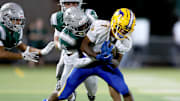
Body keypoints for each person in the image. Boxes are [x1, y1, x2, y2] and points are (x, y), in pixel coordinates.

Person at [45, 8, 136, 101]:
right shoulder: (101, 27)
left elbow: (117, 63)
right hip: (87, 62)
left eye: (127, 30)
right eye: (122, 28)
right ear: (115, 22)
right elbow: (83, 46)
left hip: (104, 65)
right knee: (63, 94)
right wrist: (97, 56)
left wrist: (110, 59)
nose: (124, 32)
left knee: (124, 91)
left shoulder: (126, 41)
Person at [49, 0, 98, 101]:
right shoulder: (59, 18)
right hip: (70, 51)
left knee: (92, 85)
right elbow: (57, 40)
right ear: (62, 5)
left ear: (80, 4)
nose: (71, 6)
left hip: (87, 50)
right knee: (61, 70)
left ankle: (91, 96)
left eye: (74, 3)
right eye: (68, 3)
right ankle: (70, 95)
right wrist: (63, 45)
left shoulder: (89, 16)